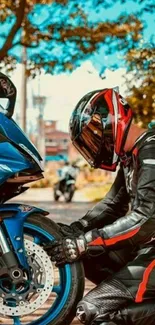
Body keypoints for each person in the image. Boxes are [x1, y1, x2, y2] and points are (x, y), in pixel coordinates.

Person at [45, 88, 155, 325]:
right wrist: (73, 231)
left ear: (111, 121)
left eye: (93, 135)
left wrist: (85, 242)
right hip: (144, 252)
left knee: (93, 312)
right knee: (78, 249)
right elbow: (112, 204)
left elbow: (146, 219)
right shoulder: (131, 155)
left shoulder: (151, 150)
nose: (93, 144)